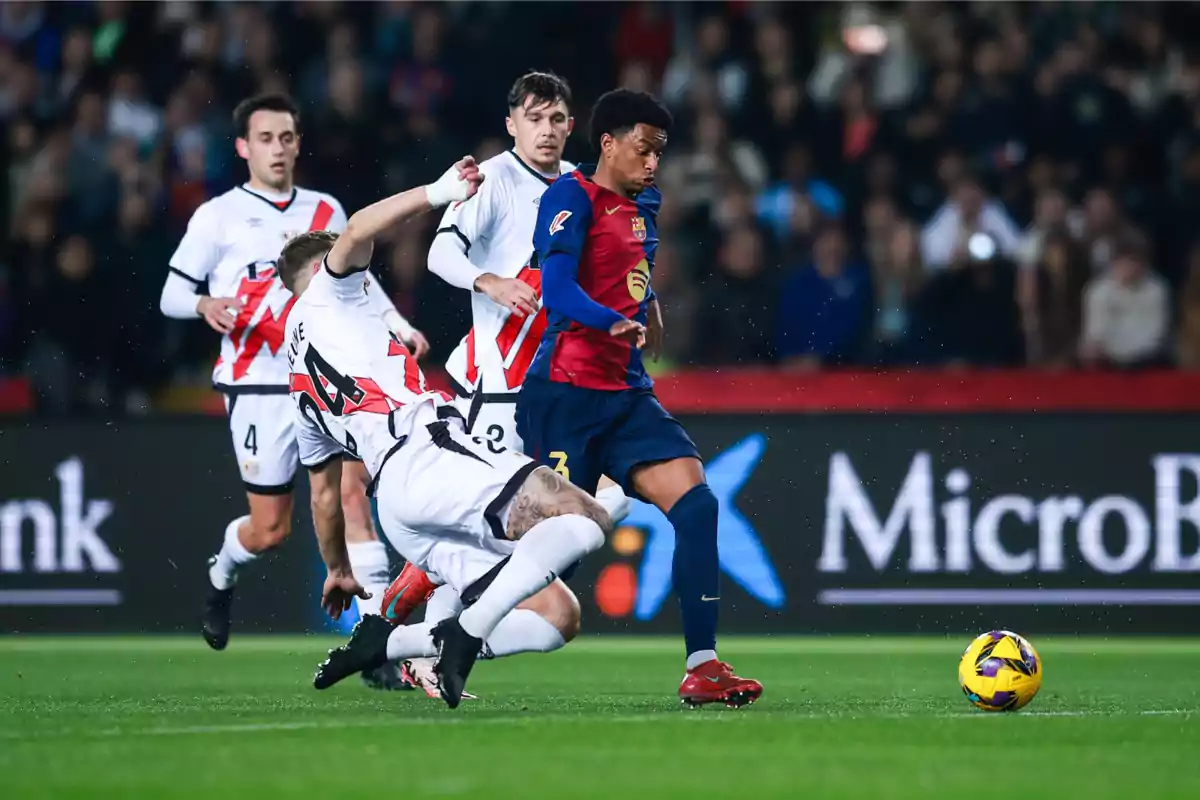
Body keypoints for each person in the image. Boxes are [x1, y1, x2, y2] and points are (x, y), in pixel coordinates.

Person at [278, 158, 611, 708]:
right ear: (320, 272)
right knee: (588, 517)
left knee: (559, 616)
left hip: (402, 509)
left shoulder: (298, 394)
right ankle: (454, 634)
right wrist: (440, 190)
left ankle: (391, 642)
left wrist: (338, 569)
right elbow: (361, 226)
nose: (364, 274)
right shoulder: (330, 291)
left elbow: (324, 495)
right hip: (430, 453)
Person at [158, 93, 427, 690]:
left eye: (286, 138)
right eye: (265, 139)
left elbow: (356, 282)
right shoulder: (217, 216)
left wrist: (401, 328)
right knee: (271, 530)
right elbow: (169, 294)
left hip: (328, 374)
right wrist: (204, 303)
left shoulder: (324, 207)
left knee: (353, 493)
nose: (277, 149)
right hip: (258, 382)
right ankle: (222, 574)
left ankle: (375, 642)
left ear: (298, 144)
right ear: (242, 148)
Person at [381, 71, 633, 698]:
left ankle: (416, 644)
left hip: (565, 389)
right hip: (501, 396)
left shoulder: (584, 187)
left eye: (556, 120)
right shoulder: (494, 178)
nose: (545, 130)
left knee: (605, 503)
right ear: (512, 124)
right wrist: (489, 282)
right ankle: (393, 631)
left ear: (572, 127)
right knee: (508, 544)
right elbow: (441, 254)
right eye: (534, 118)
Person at [514, 89, 763, 707]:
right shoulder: (568, 197)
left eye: (660, 152)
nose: (654, 163)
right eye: (643, 149)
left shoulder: (643, 203)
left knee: (699, 507)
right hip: (565, 397)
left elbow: (631, 269)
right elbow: (558, 289)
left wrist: (644, 305)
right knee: (547, 558)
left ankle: (702, 666)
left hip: (625, 394)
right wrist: (608, 321)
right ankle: (425, 618)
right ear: (607, 143)